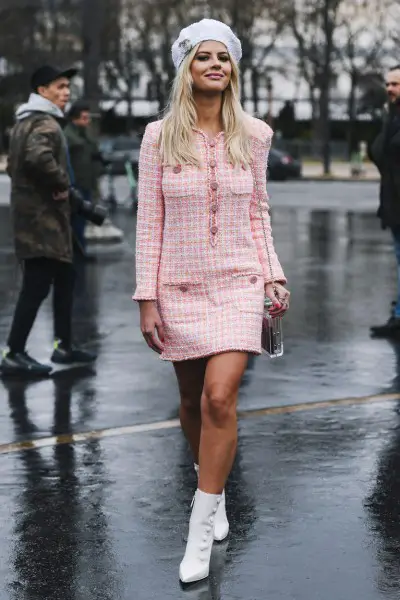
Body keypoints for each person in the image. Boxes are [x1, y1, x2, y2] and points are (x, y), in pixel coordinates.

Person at [133, 19, 290, 584]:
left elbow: (259, 211)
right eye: (203, 57)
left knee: (220, 398)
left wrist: (272, 275)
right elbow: (149, 221)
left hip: (238, 282)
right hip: (177, 286)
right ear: (187, 68)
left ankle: (199, 529)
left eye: (224, 57)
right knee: (190, 396)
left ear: (234, 69)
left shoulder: (256, 135)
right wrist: (146, 299)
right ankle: (213, 483)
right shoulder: (157, 137)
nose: (215, 65)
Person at [0, 65, 97, 377]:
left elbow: (15, 164)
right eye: (59, 87)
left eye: (68, 86)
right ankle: (13, 353)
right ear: (42, 91)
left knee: (66, 278)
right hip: (43, 222)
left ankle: (63, 346)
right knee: (36, 286)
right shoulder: (45, 124)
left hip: (43, 219)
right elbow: (37, 158)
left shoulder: (24, 122)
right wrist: (60, 187)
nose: (66, 92)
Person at [370, 65, 400, 338]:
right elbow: (379, 151)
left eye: (395, 84)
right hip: (393, 205)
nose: (389, 88)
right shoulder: (391, 117)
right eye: (388, 84)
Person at [64, 100, 106, 257]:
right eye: (84, 117)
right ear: (74, 118)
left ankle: (80, 251)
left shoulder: (86, 133)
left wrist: (99, 161)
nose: (87, 121)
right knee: (75, 222)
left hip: (88, 182)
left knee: (82, 220)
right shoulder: (68, 135)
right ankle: (76, 253)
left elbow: (92, 151)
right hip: (75, 184)